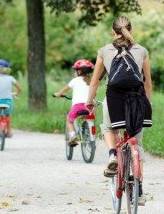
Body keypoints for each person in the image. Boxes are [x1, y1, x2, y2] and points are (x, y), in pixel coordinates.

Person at [85, 16, 152, 205]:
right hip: (137, 98)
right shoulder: (142, 51)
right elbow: (147, 82)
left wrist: (89, 101)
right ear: (131, 29)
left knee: (109, 128)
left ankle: (113, 155)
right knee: (136, 144)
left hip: (114, 98)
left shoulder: (105, 51)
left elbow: (95, 81)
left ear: (112, 31)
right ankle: (139, 191)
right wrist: (148, 103)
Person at [53, 59, 94, 146]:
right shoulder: (91, 82)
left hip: (78, 106)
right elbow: (94, 94)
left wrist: (58, 94)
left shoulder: (74, 81)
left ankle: (72, 136)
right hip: (90, 106)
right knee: (89, 118)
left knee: (69, 121)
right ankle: (89, 133)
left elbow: (64, 90)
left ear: (78, 71)